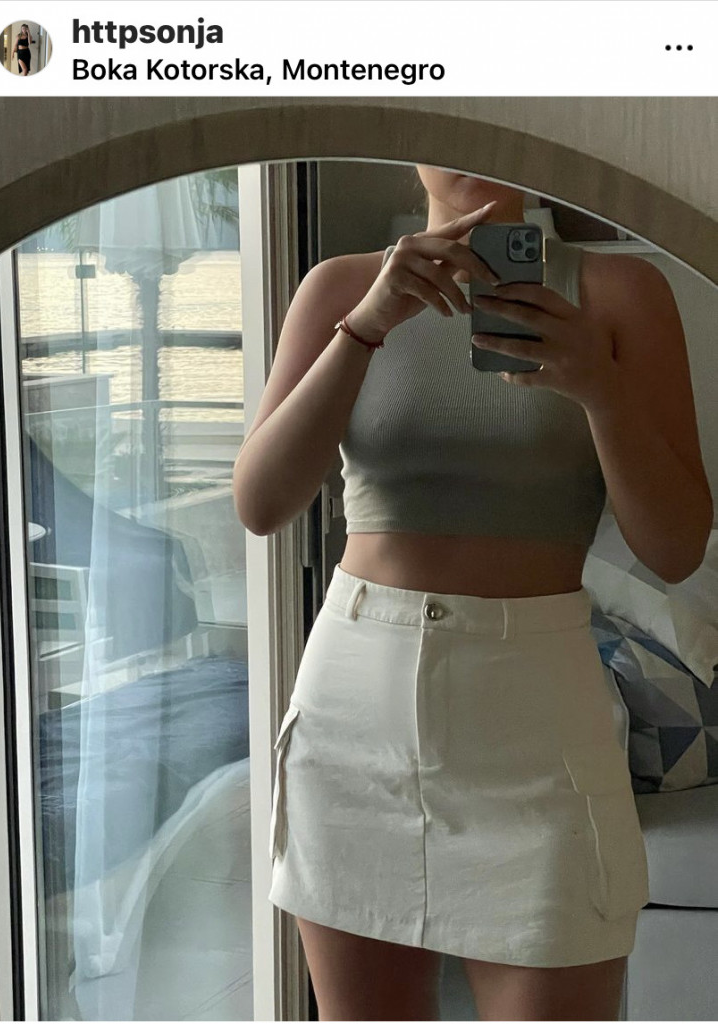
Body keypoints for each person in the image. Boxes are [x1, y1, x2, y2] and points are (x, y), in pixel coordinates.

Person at [233, 166, 713, 1020]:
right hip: (354, 714)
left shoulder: (621, 292)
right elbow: (261, 504)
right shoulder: (340, 287)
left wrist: (599, 387)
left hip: (536, 726)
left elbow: (675, 548)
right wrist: (365, 329)